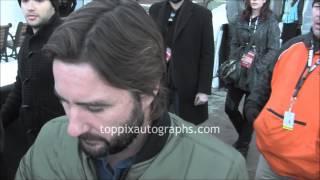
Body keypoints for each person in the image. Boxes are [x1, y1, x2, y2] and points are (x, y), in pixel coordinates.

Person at [15, 0, 248, 179]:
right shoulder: (48, 141)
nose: (73, 128)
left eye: (95, 107)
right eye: (65, 102)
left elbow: (206, 52)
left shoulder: (219, 170)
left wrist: (202, 88)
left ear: (148, 89)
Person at [245, 0, 320, 179]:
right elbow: (265, 82)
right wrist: (253, 106)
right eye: (318, 6)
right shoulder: (292, 46)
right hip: (269, 159)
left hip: (308, 170)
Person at [0, 0, 64, 178]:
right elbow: (20, 88)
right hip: (33, 145)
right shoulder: (28, 40)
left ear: (54, 4)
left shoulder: (66, 38)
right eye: (25, 1)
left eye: (39, 0)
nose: (30, 6)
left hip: (61, 147)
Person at [225, 0, 280, 157]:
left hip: (257, 74)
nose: (255, 0)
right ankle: (245, 136)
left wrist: (259, 66)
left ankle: (243, 145)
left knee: (249, 111)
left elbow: (274, 49)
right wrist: (235, 60)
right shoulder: (241, 18)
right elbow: (234, 42)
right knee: (230, 107)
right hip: (239, 71)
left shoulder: (271, 21)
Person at [149, 0, 214, 125]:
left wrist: (203, 90)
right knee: (158, 125)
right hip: (159, 82)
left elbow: (207, 54)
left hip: (187, 84)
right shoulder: (155, 10)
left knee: (185, 127)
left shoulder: (202, 14)